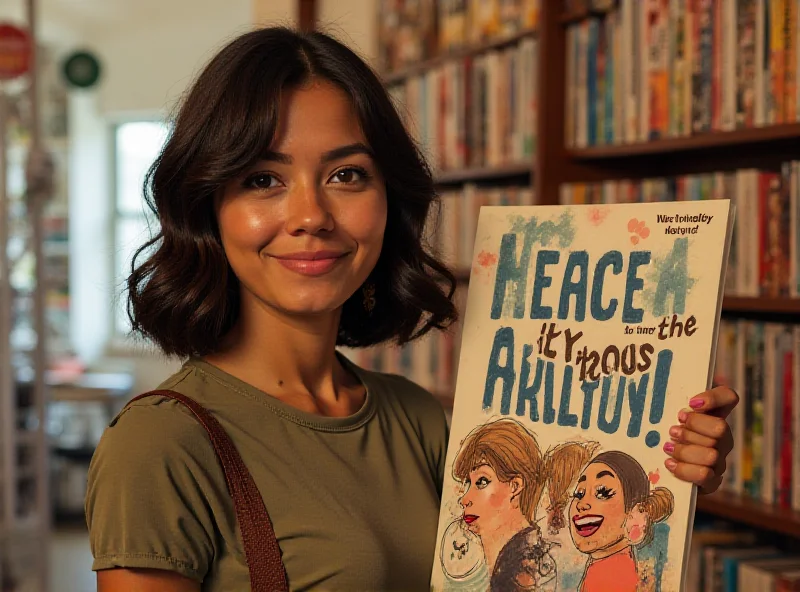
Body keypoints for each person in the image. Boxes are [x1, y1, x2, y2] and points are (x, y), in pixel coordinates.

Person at [84, 25, 739, 592]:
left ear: (387, 199)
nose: (311, 215)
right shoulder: (161, 445)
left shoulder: (420, 419)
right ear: (207, 206)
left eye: (346, 175)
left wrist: (666, 481)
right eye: (263, 179)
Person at [449, 418, 598, 591]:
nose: (464, 499)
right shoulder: (514, 560)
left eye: (482, 481)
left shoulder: (525, 569)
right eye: (468, 483)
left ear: (515, 486)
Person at [568, 451, 674, 592]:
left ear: (634, 515)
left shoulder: (612, 573)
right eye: (579, 493)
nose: (582, 504)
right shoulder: (601, 566)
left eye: (602, 492)